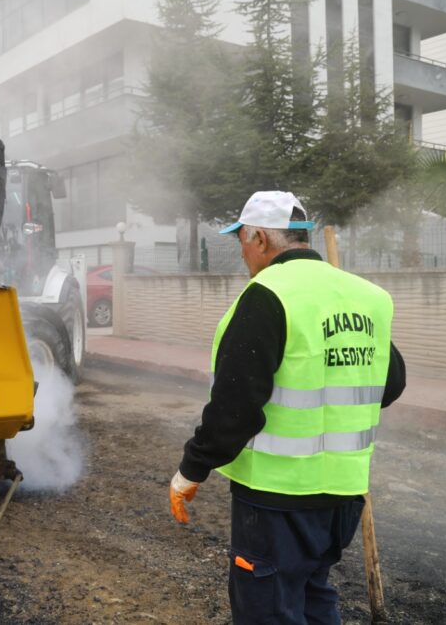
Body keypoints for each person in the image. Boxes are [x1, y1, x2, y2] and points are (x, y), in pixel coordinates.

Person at [168, 190, 406, 625]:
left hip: (277, 503)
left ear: (260, 238)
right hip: (342, 498)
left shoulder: (265, 296)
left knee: (270, 611)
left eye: (241, 239)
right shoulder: (366, 297)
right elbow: (390, 386)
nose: (241, 252)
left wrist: (192, 469)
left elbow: (234, 407)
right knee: (314, 597)